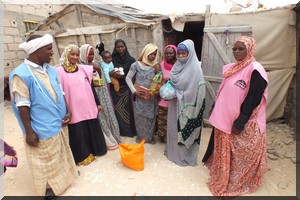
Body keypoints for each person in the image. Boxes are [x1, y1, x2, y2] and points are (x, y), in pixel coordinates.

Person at [9, 34, 77, 197]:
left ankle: (64, 180)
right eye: (48, 49)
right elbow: (22, 105)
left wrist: (68, 110)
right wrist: (29, 132)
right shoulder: (21, 74)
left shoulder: (51, 70)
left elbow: (60, 92)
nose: (52, 52)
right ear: (36, 50)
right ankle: (48, 188)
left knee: (60, 155)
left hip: (58, 122)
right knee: (44, 161)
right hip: (41, 127)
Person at [202, 36, 268, 196]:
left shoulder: (255, 70)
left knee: (243, 154)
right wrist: (214, 107)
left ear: (250, 49)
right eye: (234, 49)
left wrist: (240, 122)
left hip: (240, 121)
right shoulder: (234, 68)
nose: (237, 52)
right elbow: (223, 91)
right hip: (224, 118)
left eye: (241, 48)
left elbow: (254, 99)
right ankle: (224, 170)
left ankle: (240, 179)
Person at [56, 44, 107, 165]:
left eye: (77, 55)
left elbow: (91, 87)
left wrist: (97, 103)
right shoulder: (58, 71)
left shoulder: (84, 69)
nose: (75, 57)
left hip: (88, 105)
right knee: (78, 132)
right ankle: (83, 156)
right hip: (73, 107)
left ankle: (97, 151)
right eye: (72, 54)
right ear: (66, 55)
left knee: (92, 128)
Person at [165, 39, 206, 166]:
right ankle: (173, 152)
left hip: (186, 108)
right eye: (180, 53)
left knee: (183, 130)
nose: (181, 56)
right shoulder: (177, 66)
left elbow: (195, 92)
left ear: (190, 53)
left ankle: (184, 156)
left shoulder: (195, 69)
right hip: (174, 104)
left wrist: (177, 93)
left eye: (184, 53)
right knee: (173, 128)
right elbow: (173, 82)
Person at [79, 44, 120, 149]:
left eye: (92, 54)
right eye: (89, 54)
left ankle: (114, 137)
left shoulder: (97, 64)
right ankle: (105, 141)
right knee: (99, 118)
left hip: (102, 94)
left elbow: (101, 82)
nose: (91, 57)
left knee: (107, 114)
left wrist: (98, 70)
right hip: (90, 97)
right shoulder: (79, 68)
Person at [125, 43, 160, 144]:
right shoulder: (136, 65)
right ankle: (141, 137)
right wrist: (134, 92)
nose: (153, 56)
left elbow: (159, 80)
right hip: (139, 97)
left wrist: (158, 72)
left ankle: (150, 138)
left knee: (151, 118)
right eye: (151, 54)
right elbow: (128, 78)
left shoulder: (155, 66)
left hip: (151, 98)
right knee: (140, 117)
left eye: (155, 54)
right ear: (146, 53)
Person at [111, 39, 136, 137]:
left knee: (128, 110)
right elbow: (107, 72)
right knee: (118, 109)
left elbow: (134, 75)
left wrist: (124, 77)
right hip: (116, 89)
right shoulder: (111, 59)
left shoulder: (131, 60)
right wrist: (113, 74)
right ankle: (122, 131)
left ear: (125, 47)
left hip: (127, 88)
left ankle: (131, 131)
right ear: (115, 48)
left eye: (122, 46)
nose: (120, 48)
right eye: (118, 47)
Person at [156, 44, 177, 143]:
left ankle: (171, 138)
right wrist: (162, 80)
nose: (168, 55)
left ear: (175, 53)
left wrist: (172, 80)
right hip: (163, 97)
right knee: (162, 119)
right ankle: (162, 137)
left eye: (171, 53)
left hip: (174, 98)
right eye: (167, 53)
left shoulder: (178, 65)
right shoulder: (161, 65)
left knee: (172, 119)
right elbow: (157, 78)